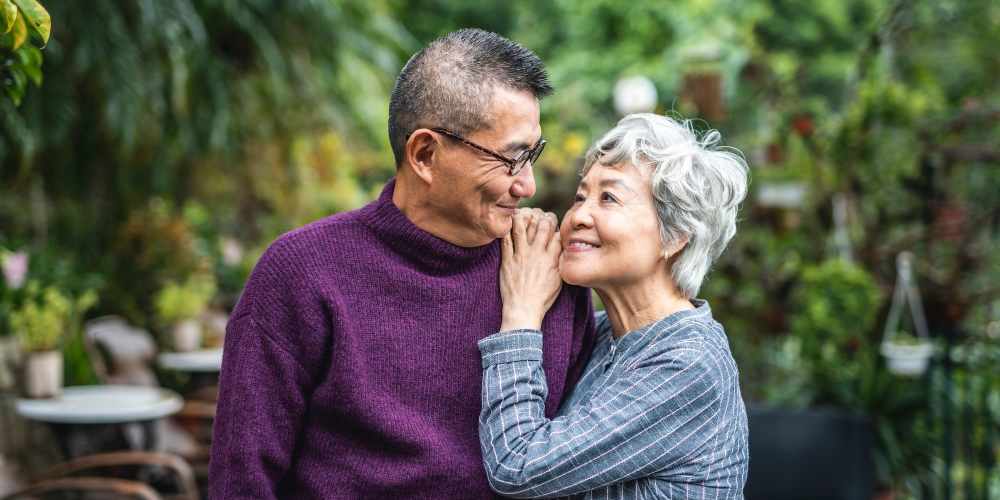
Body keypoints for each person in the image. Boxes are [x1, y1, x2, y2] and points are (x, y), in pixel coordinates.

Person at [209, 29, 596, 499]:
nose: (529, 185)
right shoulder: (302, 273)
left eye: (533, 154)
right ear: (425, 155)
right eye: (511, 159)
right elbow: (242, 480)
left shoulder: (547, 272)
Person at [478, 113, 750, 499]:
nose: (578, 216)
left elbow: (518, 465)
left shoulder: (689, 363)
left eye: (609, 198)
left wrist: (521, 315)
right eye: (580, 196)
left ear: (675, 237)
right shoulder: (606, 334)